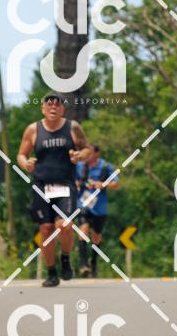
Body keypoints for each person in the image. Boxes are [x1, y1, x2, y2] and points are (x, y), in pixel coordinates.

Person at [17, 93, 91, 287]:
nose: (53, 107)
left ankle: (65, 258)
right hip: (42, 186)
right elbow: (21, 154)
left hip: (65, 184)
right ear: (43, 108)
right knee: (46, 228)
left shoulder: (73, 127)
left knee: (65, 225)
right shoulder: (33, 130)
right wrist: (26, 163)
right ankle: (51, 272)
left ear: (62, 109)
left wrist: (79, 156)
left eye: (57, 105)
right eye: (49, 104)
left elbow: (87, 149)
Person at [76, 144, 119, 278]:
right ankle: (83, 264)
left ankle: (93, 262)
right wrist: (76, 183)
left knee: (96, 236)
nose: (86, 155)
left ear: (96, 154)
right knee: (83, 231)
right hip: (83, 203)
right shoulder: (80, 166)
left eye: (89, 153)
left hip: (99, 207)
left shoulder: (106, 166)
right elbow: (71, 177)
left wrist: (103, 184)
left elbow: (116, 183)